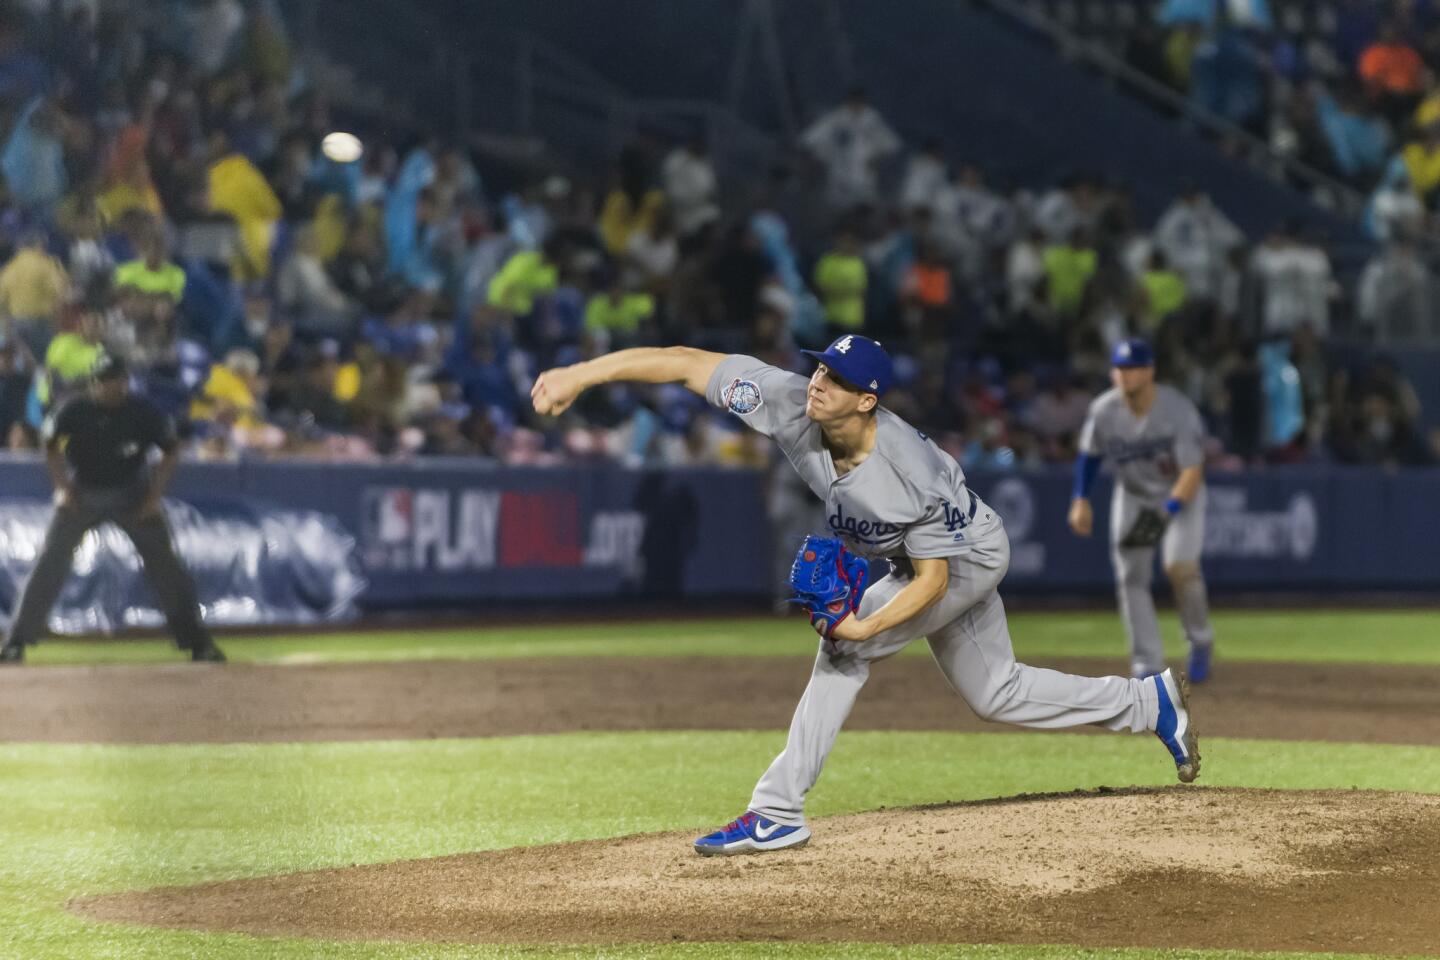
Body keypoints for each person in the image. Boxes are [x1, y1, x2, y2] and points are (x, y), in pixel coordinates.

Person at [530, 335, 1200, 856]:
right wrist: (579, 376)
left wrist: (856, 630)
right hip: (929, 555)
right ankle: (1147, 703)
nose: (818, 384)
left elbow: (933, 580)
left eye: (838, 381)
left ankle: (776, 812)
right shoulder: (791, 400)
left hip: (963, 556)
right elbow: (682, 363)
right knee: (995, 692)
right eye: (821, 369)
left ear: (867, 401)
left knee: (844, 655)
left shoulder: (903, 471)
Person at [0, 355, 226, 664]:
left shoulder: (142, 411)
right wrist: (63, 489)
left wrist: (153, 497)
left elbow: (172, 449)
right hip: (82, 492)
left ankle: (198, 643)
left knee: (168, 568)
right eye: (103, 380)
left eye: (115, 379)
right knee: (49, 563)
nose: (108, 386)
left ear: (125, 380)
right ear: (94, 383)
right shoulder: (74, 408)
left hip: (132, 493)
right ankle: (16, 642)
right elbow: (49, 442)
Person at [1067, 339, 1214, 683]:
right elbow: (1089, 456)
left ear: (1150, 371)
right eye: (1120, 368)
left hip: (1181, 494)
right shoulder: (1103, 410)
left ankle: (1201, 639)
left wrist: (1168, 509)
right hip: (1133, 496)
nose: (1126, 375)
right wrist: (1080, 499)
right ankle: (1146, 662)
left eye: (1133, 368)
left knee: (1181, 568)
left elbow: (1192, 471)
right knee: (1131, 576)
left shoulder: (1177, 410)